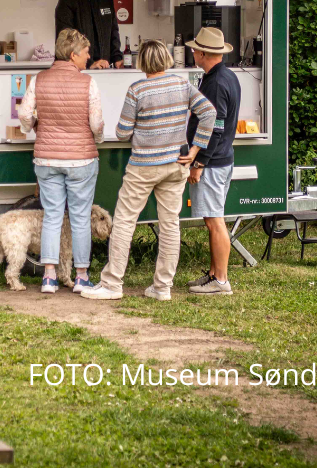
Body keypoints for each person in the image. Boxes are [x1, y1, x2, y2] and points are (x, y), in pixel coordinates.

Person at [82, 40, 216, 301]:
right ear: (166, 58)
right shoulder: (181, 83)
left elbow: (122, 133)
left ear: (142, 62)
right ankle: (162, 287)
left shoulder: (137, 90)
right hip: (176, 165)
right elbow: (209, 112)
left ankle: (112, 284)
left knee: (124, 222)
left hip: (143, 167)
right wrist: (196, 149)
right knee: (170, 225)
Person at [17, 28, 103, 293]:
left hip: (46, 159)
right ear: (74, 54)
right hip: (81, 160)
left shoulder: (39, 80)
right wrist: (96, 139)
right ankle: (80, 277)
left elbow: (24, 114)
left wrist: (33, 127)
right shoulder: (88, 82)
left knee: (52, 216)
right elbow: (96, 123)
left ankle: (49, 278)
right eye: (86, 52)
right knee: (79, 217)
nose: (88, 57)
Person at [182, 27, 241, 296]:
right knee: (211, 219)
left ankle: (221, 282)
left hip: (212, 163)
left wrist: (199, 163)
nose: (192, 51)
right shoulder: (224, 76)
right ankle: (214, 274)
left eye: (195, 48)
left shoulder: (215, 83)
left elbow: (215, 128)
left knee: (215, 221)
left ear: (205, 53)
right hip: (220, 160)